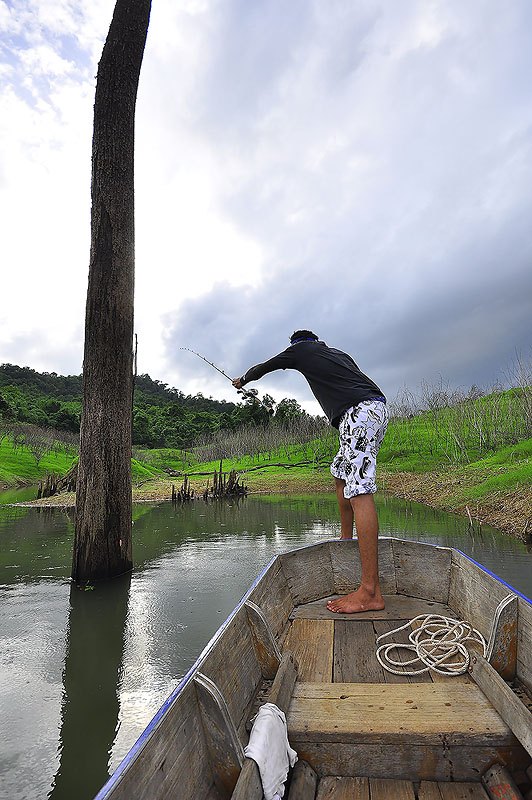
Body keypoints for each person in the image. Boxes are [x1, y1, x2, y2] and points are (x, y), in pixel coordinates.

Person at [233, 330, 388, 614]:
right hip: (364, 414)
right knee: (340, 474)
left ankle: (370, 592)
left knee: (359, 491)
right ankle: (345, 540)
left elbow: (264, 367)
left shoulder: (302, 350)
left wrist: (242, 380)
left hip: (360, 414)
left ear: (297, 343)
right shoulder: (337, 353)